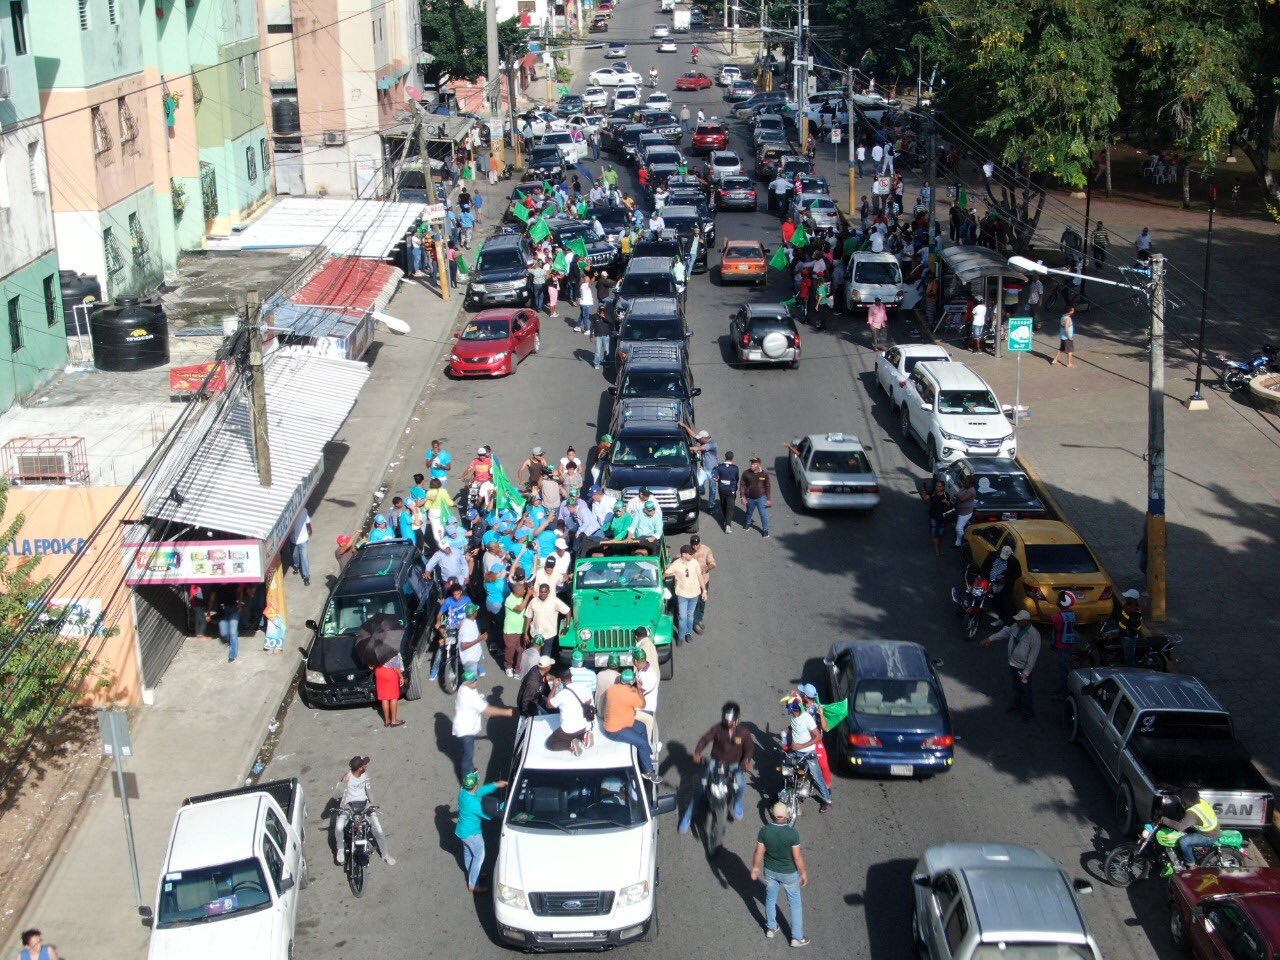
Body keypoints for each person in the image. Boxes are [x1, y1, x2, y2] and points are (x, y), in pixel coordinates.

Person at [680, 702, 753, 831]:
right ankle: (687, 817)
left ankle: (737, 803)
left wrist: (747, 760)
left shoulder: (744, 732)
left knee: (741, 785)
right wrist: (697, 752)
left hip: (735, 765)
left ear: (736, 719)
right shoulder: (718, 728)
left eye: (731, 721)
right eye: (726, 720)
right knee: (701, 788)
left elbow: (749, 746)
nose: (728, 723)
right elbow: (705, 739)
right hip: (717, 762)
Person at [750, 801, 810, 947]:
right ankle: (796, 937)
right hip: (789, 873)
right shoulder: (792, 833)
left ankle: (771, 928)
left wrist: (755, 867)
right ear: (787, 816)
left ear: (772, 815)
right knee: (795, 903)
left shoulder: (764, 831)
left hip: (770, 871)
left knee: (770, 898)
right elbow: (797, 857)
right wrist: (803, 872)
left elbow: (759, 851)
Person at [334, 756, 395, 866]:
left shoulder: (365, 776)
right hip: (348, 806)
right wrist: (343, 782)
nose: (367, 765)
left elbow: (369, 791)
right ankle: (340, 850)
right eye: (364, 764)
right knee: (339, 826)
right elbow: (336, 796)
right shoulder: (347, 777)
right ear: (360, 768)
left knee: (379, 829)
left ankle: (385, 854)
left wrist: (373, 805)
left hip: (364, 804)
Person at [602, 668, 661, 781]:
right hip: (615, 730)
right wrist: (638, 689)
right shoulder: (631, 694)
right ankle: (648, 772)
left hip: (620, 722)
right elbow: (643, 704)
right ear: (631, 681)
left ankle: (646, 757)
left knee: (642, 727)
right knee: (642, 743)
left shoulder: (612, 689)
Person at [981, 610, 1041, 720]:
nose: (1017, 622)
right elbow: (1005, 632)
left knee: (1026, 690)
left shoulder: (1034, 635)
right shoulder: (1015, 626)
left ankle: (1028, 713)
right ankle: (1016, 705)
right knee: (1016, 687)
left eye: (1019, 621)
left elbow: (1033, 657)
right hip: (1013, 664)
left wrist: (1026, 673)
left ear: (1025, 621)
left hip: (1023, 668)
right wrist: (991, 638)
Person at [453, 669, 515, 776]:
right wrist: (508, 712)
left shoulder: (465, 687)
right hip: (466, 730)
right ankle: (467, 781)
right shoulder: (468, 695)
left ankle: (470, 769)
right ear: (465, 682)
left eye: (475, 679)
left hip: (468, 727)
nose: (475, 682)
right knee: (468, 756)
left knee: (467, 752)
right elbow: (487, 711)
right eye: (472, 681)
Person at [456, 771, 507, 893]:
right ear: (474, 786)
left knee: (468, 854)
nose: (478, 785)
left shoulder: (463, 792)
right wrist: (503, 805)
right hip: (472, 834)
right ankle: (473, 885)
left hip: (462, 832)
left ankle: (474, 875)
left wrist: (495, 785)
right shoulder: (473, 803)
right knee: (478, 858)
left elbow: (479, 792)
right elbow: (488, 815)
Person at [1158, 787, 1220, 871]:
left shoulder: (1192, 813)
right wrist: (1167, 786)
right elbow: (1180, 792)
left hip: (1209, 835)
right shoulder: (1198, 800)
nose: (1181, 801)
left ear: (1186, 802)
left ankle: (1191, 865)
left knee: (1183, 841)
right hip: (1209, 829)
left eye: (1182, 800)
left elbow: (1180, 827)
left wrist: (1163, 819)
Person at [785, 699, 831, 811]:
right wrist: (785, 733)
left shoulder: (807, 718)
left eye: (792, 711)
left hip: (808, 753)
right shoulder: (794, 718)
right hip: (796, 752)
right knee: (786, 768)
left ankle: (827, 799)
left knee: (817, 777)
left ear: (797, 710)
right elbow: (792, 727)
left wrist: (802, 746)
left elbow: (818, 736)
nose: (791, 713)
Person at [546, 670, 593, 755]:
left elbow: (549, 705)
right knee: (576, 733)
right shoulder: (582, 687)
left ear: (561, 680)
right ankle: (584, 736)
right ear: (571, 676)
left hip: (569, 729)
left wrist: (554, 687)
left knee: (550, 744)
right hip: (584, 725)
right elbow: (588, 701)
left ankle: (570, 745)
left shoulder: (562, 694)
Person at [666, 545, 704, 645]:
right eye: (690, 553)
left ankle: (688, 633)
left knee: (690, 616)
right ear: (683, 554)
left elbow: (699, 576)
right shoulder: (676, 564)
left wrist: (704, 590)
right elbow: (664, 575)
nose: (692, 554)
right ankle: (681, 637)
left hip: (694, 593)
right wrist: (674, 574)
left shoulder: (694, 562)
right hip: (682, 595)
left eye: (692, 553)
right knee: (682, 617)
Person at [1049, 590, 1079, 698]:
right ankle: (1063, 689)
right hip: (1068, 645)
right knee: (1065, 668)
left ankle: (1064, 693)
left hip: (1060, 646)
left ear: (1062, 602)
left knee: (1063, 670)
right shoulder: (1072, 614)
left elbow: (1044, 618)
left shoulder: (1058, 617)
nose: (1057, 600)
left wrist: (1036, 604)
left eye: (1058, 599)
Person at [681, 422, 719, 506]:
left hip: (713, 470)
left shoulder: (712, 443)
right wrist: (685, 426)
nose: (698, 440)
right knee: (697, 484)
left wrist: (685, 448)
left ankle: (711, 505)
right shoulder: (703, 440)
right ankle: (698, 497)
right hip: (703, 468)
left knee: (712, 489)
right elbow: (694, 435)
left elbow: (699, 448)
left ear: (705, 438)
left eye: (700, 438)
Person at [523, 582, 569, 653]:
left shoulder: (555, 601)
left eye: (545, 592)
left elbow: (567, 611)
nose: (542, 594)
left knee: (545, 658)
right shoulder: (533, 601)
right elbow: (528, 617)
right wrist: (525, 633)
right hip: (535, 634)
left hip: (549, 635)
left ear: (549, 592)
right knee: (535, 657)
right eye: (541, 592)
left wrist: (567, 627)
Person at [502, 579, 531, 677]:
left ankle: (518, 669)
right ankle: (508, 667)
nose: (525, 591)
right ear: (517, 591)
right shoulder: (509, 599)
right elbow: (519, 609)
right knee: (510, 650)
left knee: (521, 650)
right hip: (511, 630)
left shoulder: (522, 598)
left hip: (521, 630)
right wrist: (527, 595)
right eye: (523, 590)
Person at [739, 455, 772, 537]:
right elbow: (742, 485)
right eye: (751, 463)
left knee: (763, 514)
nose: (752, 465)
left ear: (759, 465)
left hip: (761, 498)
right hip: (750, 498)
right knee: (749, 512)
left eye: (754, 464)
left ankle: (765, 530)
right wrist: (742, 496)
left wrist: (768, 499)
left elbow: (767, 486)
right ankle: (748, 523)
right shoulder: (746, 473)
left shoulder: (764, 474)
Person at [374, 643, 405, 727]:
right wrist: (401, 676)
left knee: (384, 698)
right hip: (389, 673)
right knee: (393, 697)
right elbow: (396, 665)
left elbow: (370, 665)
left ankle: (387, 720)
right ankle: (394, 720)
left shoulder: (374, 648)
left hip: (379, 672)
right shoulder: (391, 647)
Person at [689, 534, 715, 632]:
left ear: (699, 543)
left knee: (702, 601)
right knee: (695, 602)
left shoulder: (706, 550)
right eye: (693, 545)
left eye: (696, 544)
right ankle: (695, 623)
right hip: (692, 582)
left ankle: (699, 618)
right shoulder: (688, 551)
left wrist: (707, 568)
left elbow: (712, 563)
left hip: (704, 581)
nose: (695, 547)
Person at [919, 478, 951, 556]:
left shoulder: (946, 495)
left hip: (943, 518)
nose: (937, 488)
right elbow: (925, 498)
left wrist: (946, 502)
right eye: (937, 486)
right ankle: (936, 547)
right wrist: (924, 492)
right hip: (933, 516)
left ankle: (937, 542)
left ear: (943, 487)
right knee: (934, 533)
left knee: (940, 533)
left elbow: (949, 505)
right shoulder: (932, 492)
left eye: (939, 486)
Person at [458, 603, 488, 679]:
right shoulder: (466, 627)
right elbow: (463, 646)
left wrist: (479, 636)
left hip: (475, 655)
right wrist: (479, 639)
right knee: (471, 682)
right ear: (475, 613)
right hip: (470, 659)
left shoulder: (472, 621)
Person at [1116, 588, 1145, 667]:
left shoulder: (1135, 612)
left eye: (1127, 597)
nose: (1125, 598)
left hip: (1128, 638)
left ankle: (1133, 674)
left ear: (1132, 599)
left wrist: (1125, 635)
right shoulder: (1128, 606)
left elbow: (1133, 628)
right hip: (1123, 632)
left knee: (1129, 660)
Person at [712, 451, 740, 532]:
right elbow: (737, 479)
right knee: (730, 507)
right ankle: (728, 524)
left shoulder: (719, 467)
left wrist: (720, 480)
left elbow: (715, 478)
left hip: (722, 489)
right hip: (731, 490)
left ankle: (726, 520)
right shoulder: (735, 468)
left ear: (725, 457)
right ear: (732, 458)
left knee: (723, 505)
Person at [290, 507, 313, 586]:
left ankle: (306, 577)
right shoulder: (289, 513)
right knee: (295, 555)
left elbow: (307, 522)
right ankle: (296, 565)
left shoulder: (304, 510)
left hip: (303, 538)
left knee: (304, 558)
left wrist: (310, 530)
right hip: (293, 539)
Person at [952, 474, 976, 548]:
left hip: (965, 512)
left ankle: (964, 541)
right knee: (959, 526)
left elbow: (962, 499)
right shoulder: (964, 488)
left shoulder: (971, 491)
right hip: (959, 510)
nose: (965, 482)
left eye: (966, 481)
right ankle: (957, 544)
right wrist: (957, 496)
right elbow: (958, 495)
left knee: (958, 528)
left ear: (970, 483)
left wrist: (957, 496)